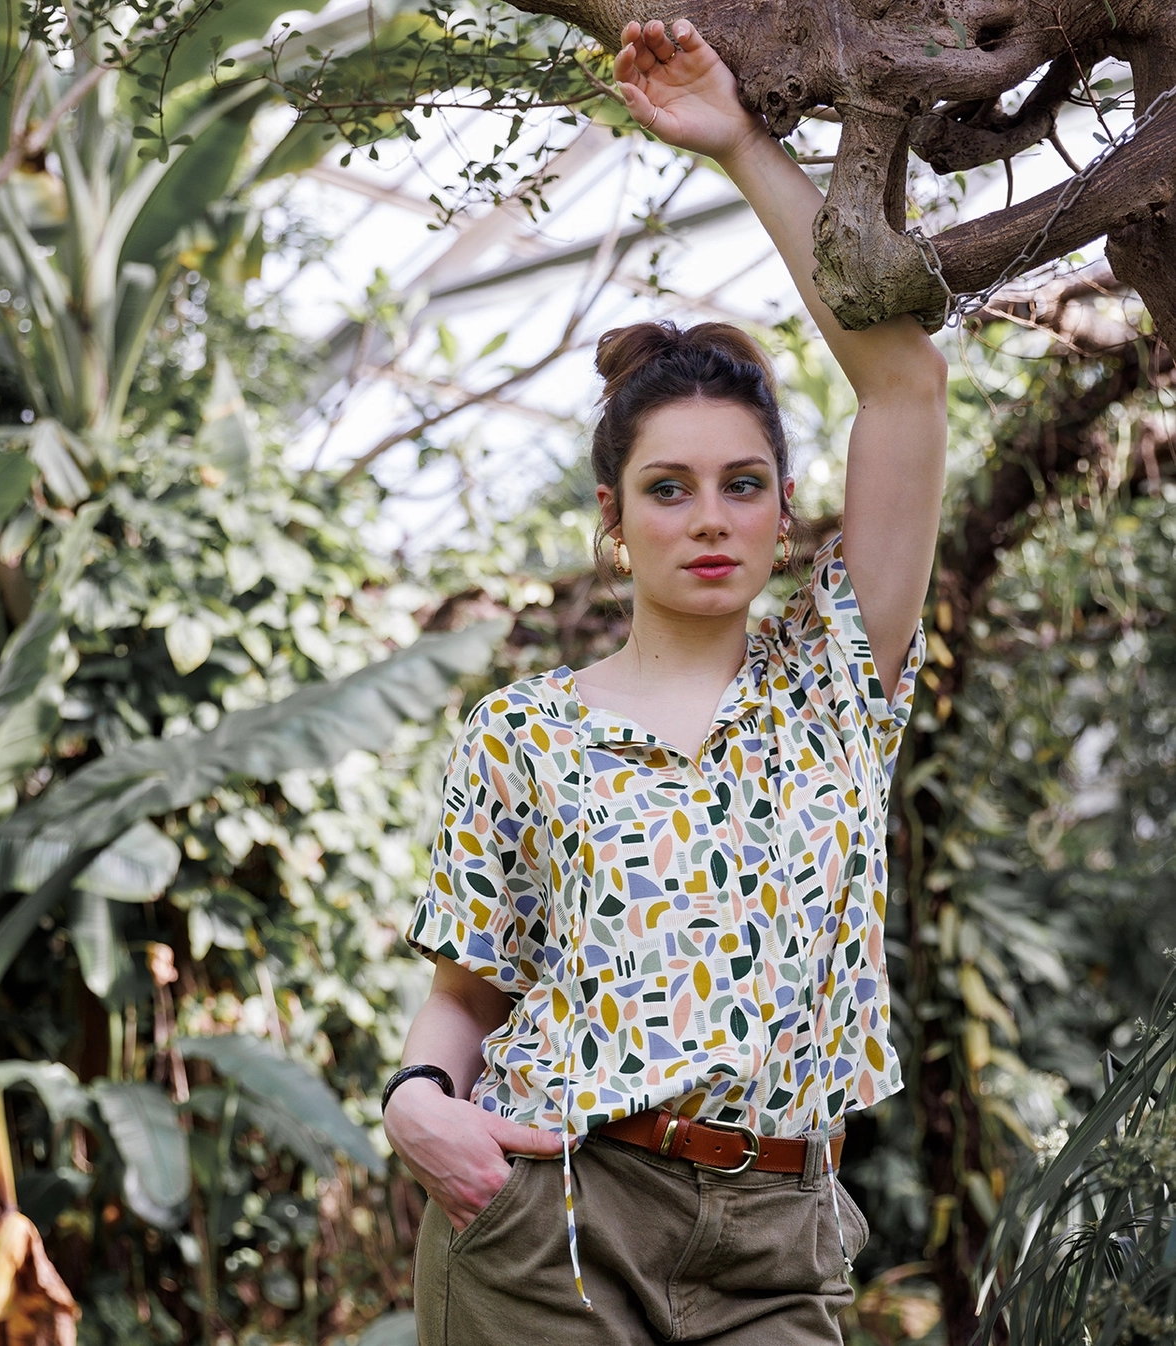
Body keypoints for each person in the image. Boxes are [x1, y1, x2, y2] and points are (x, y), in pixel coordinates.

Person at [383, 17, 947, 1345]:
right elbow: (467, 991)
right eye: (669, 488)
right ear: (614, 517)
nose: (709, 519)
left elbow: (906, 383)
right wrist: (417, 1100)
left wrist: (737, 140)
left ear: (784, 508)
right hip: (549, 1216)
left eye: (742, 484)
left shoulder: (835, 681)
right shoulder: (521, 733)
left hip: (779, 1236)